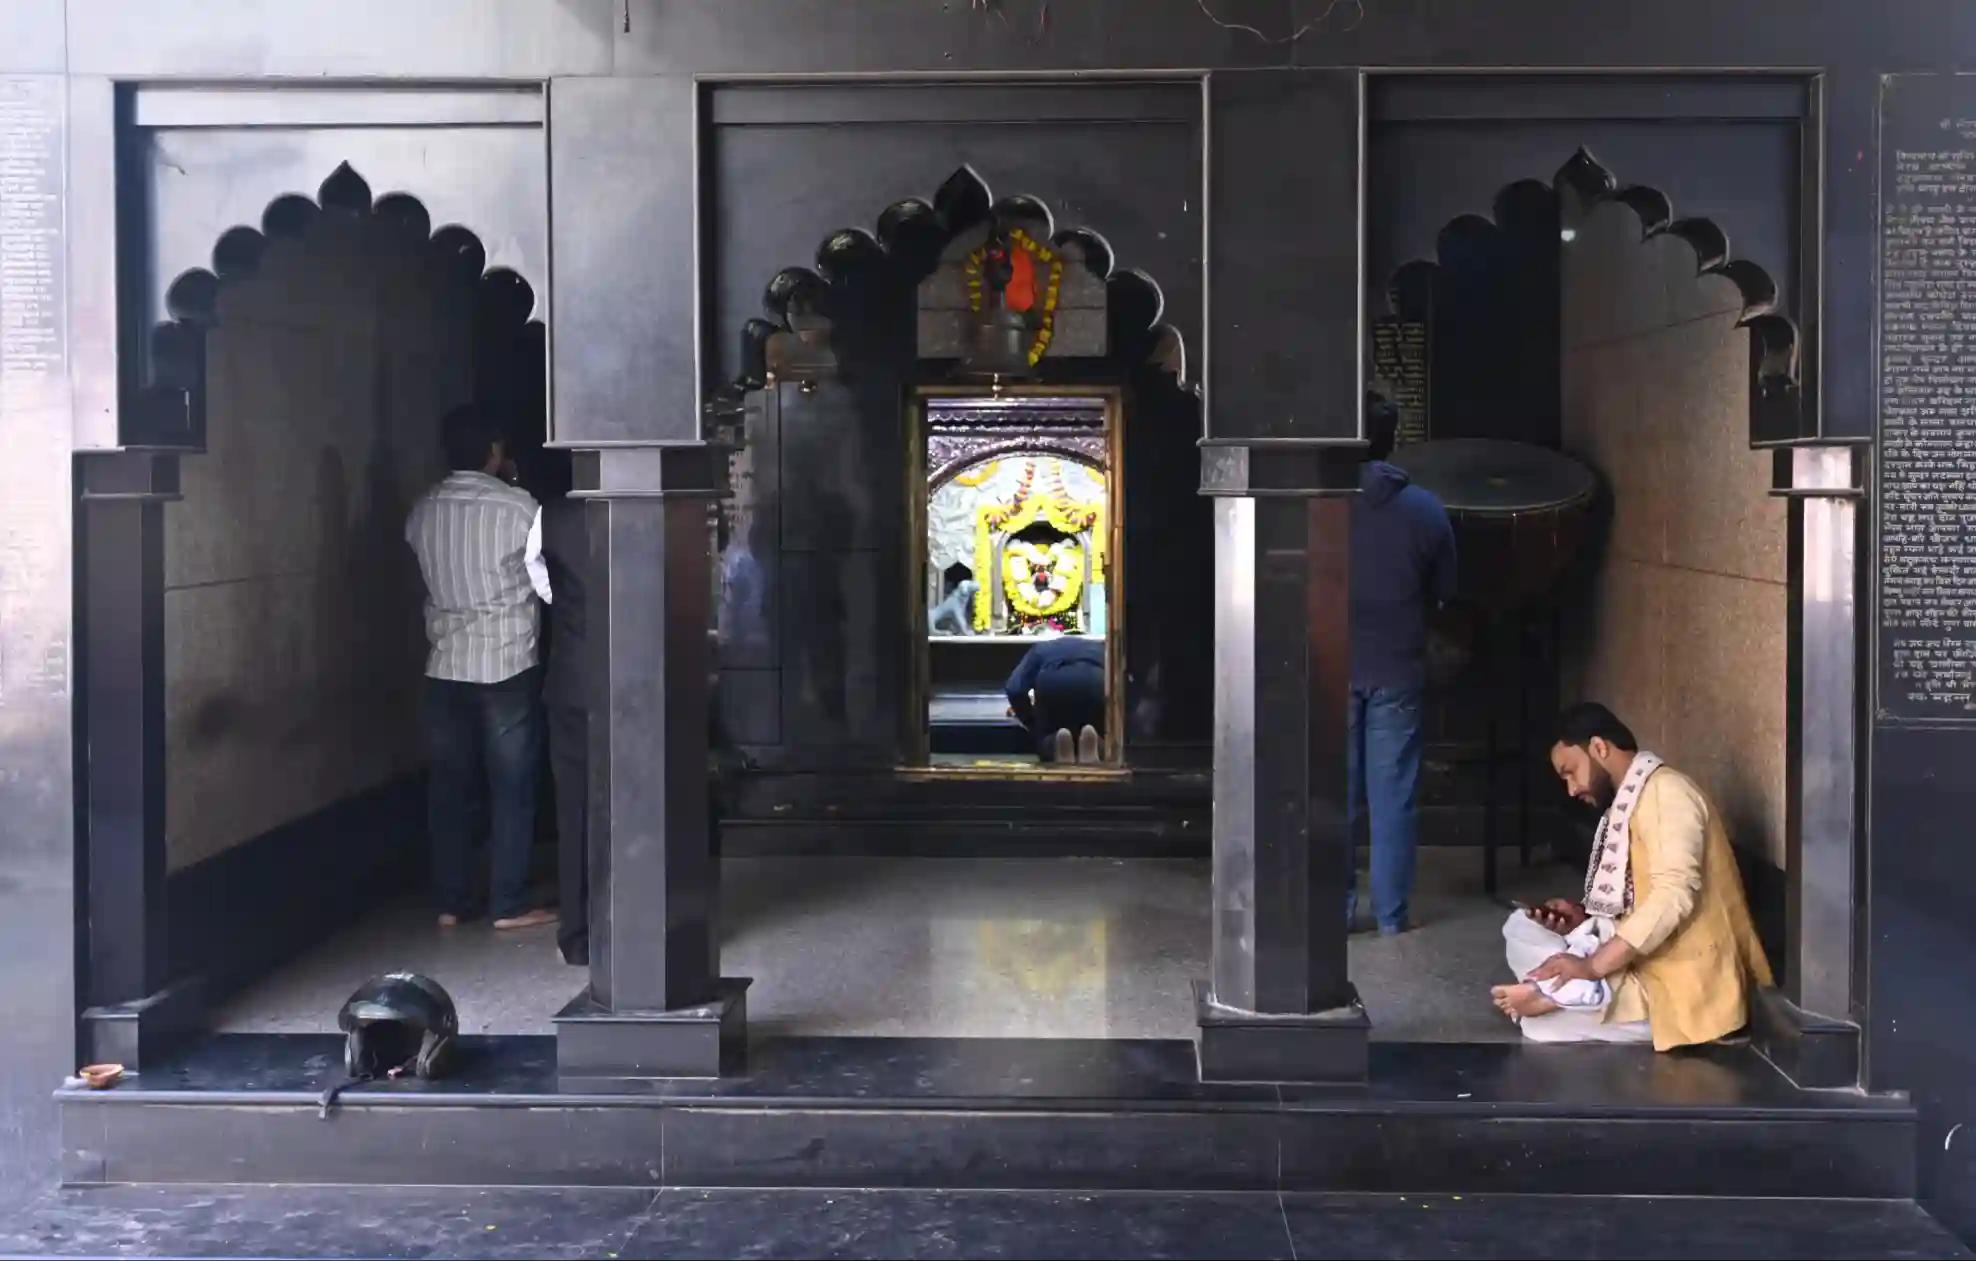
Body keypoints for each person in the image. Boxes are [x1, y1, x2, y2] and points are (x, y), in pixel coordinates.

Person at [1490, 703, 1774, 1049]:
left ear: (1599, 748)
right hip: (1639, 962)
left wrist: (1593, 967)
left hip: (1675, 985)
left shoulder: (1668, 793)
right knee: (1520, 925)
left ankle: (1561, 993)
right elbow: (1632, 901)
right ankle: (1564, 990)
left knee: (1540, 1027)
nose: (1572, 789)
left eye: (1570, 772)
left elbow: (1673, 896)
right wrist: (1582, 921)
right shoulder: (1629, 802)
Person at [405, 404, 557, 932]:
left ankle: (452, 900)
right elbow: (548, 584)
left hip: (445, 663)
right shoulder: (519, 508)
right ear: (495, 450)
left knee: (449, 787)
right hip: (507, 661)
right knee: (512, 785)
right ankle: (508, 902)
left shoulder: (423, 510)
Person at [1346, 394, 1457, 934]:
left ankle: (1335, 910)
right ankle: (1391, 916)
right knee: (1394, 799)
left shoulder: (1318, 503)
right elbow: (1446, 592)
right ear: (1393, 440)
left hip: (1329, 665)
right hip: (1398, 667)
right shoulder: (1426, 509)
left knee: (1335, 796)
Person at [538, 490, 590, 966]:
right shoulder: (658, 506)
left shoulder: (550, 515)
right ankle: (640, 930)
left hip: (574, 679)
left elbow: (545, 588)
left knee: (575, 812)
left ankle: (578, 936)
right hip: (642, 686)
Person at [1004, 635, 1105, 764]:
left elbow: (1015, 689)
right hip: (1093, 679)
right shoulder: (1101, 649)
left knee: (1047, 733)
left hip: (1052, 680)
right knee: (1097, 723)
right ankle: (1097, 744)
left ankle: (1053, 744)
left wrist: (1030, 720)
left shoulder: (1039, 649)